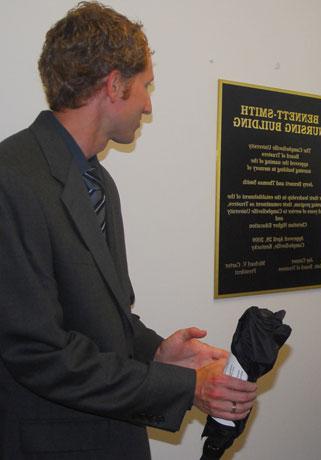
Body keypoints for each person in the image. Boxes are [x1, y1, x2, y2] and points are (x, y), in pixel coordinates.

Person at [0, 3, 256, 458]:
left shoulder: (97, 183)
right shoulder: (12, 178)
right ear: (114, 84)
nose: (149, 103)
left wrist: (157, 352)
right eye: (145, 85)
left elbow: (100, 316)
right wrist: (185, 387)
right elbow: (39, 352)